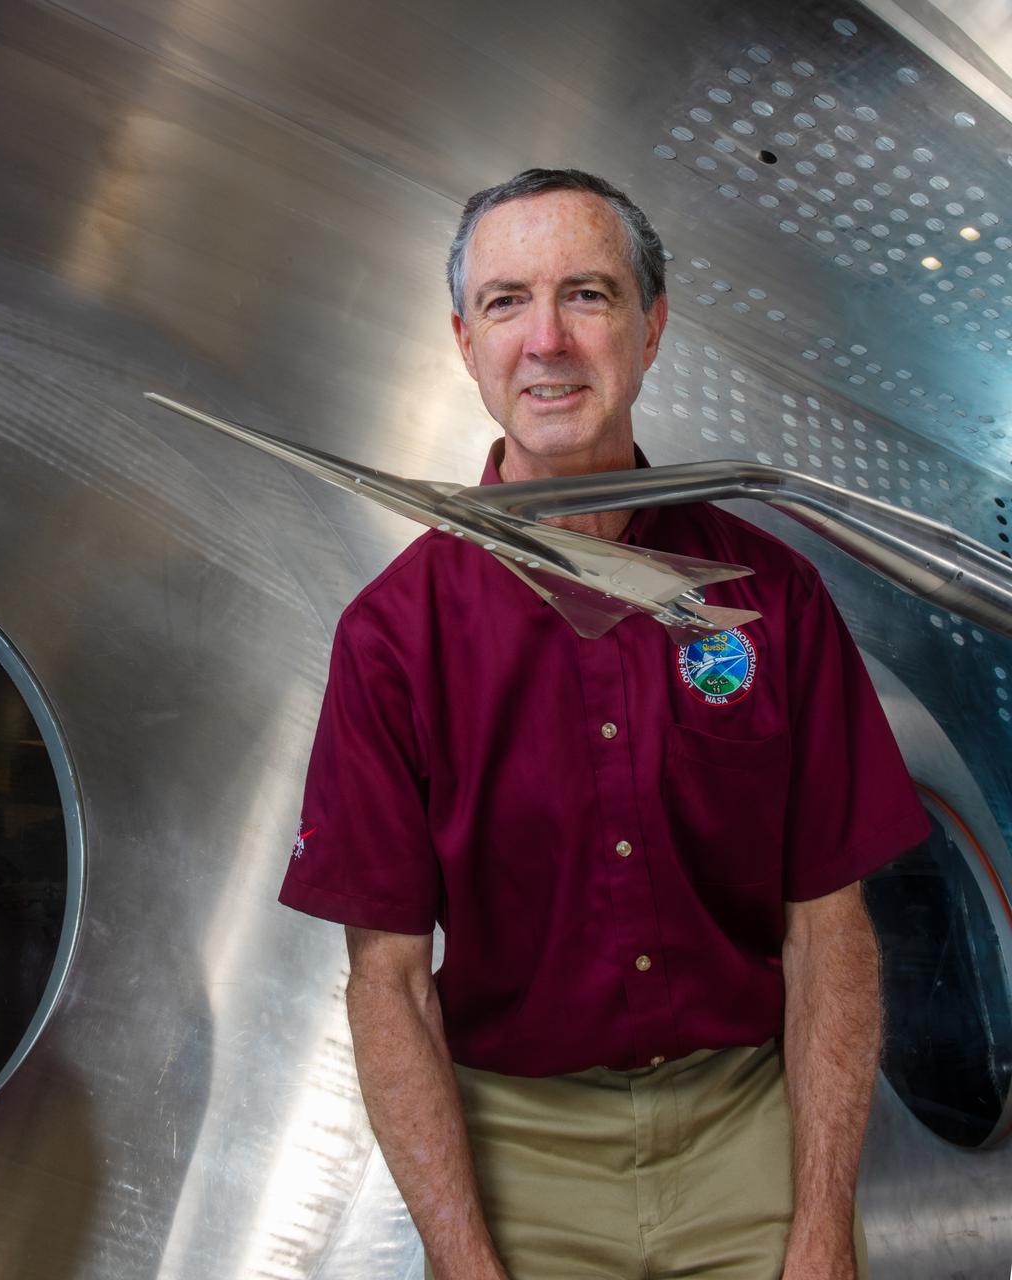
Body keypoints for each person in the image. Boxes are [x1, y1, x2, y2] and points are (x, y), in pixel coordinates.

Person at [279, 169, 930, 1280]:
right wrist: (464, 1255)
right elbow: (387, 980)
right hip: (515, 1148)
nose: (547, 340)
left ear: (651, 325)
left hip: (744, 1126)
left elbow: (830, 931)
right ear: (463, 342)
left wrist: (821, 1220)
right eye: (504, 303)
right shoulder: (392, 636)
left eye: (587, 293)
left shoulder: (772, 597)